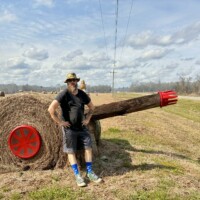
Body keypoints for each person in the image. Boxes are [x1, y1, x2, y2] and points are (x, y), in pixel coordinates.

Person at [48, 72, 102, 187]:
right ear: (67, 82)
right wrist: (61, 122)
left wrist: (87, 119)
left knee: (88, 148)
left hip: (82, 127)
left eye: (74, 80)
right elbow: (51, 109)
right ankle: (77, 175)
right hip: (69, 129)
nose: (73, 82)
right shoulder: (63, 94)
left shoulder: (82, 94)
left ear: (77, 82)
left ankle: (89, 172)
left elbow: (92, 107)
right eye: (70, 80)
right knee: (70, 151)